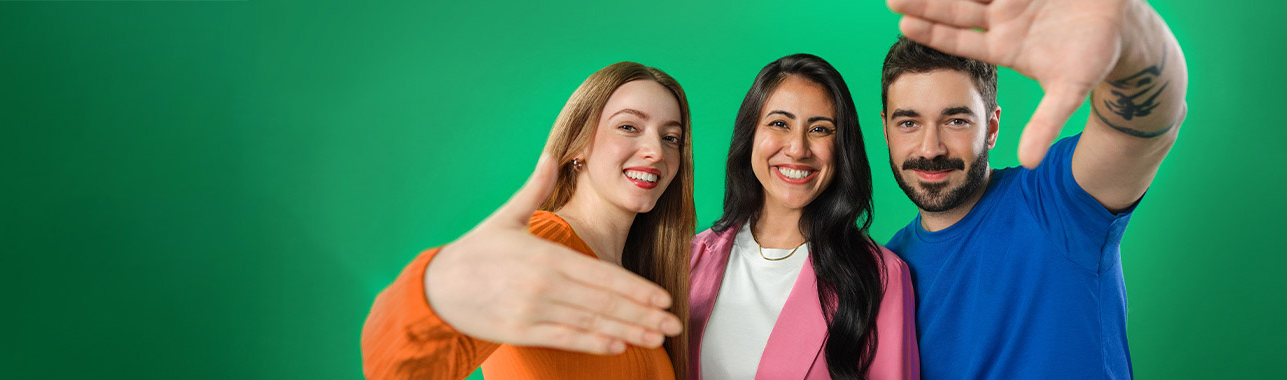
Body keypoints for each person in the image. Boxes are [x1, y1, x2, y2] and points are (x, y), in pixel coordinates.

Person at [880, 0, 1187, 378]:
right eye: (909, 123)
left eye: (956, 120)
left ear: (992, 128)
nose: (931, 148)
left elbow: (1145, 124)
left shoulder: (1057, 203)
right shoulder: (885, 271)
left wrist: (1128, 28)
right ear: (886, 130)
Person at [362, 61, 696, 379]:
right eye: (628, 127)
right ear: (578, 142)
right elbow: (395, 367)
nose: (656, 151)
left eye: (671, 138)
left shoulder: (639, 276)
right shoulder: (539, 243)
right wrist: (436, 290)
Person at [689, 54, 918, 380]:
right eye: (779, 124)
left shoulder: (881, 277)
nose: (798, 148)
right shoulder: (688, 260)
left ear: (841, 149)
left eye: (820, 129)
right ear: (750, 134)